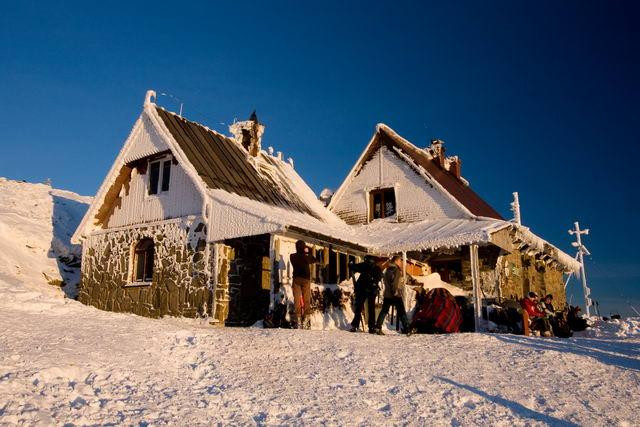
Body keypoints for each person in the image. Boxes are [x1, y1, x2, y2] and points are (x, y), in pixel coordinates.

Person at [374, 255, 411, 335]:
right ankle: (407, 329)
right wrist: (395, 292)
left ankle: (377, 327)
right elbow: (394, 283)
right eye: (400, 261)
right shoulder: (396, 270)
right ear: (396, 261)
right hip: (395, 294)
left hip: (387, 294)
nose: (401, 262)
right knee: (401, 312)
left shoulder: (387, 269)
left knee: (384, 311)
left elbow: (386, 281)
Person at [349, 255, 383, 333]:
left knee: (364, 308)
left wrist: (351, 265)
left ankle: (360, 326)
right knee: (365, 308)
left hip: (367, 290)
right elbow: (356, 267)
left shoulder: (371, 267)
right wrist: (351, 265)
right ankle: (368, 327)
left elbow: (355, 267)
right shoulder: (369, 266)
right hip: (366, 290)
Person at [289, 240, 318, 329]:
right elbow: (314, 259)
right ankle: (306, 318)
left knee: (297, 300)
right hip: (306, 279)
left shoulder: (292, 256)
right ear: (303, 247)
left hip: (296, 279)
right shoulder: (306, 256)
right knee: (306, 300)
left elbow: (299, 257)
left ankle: (298, 319)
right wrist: (307, 250)